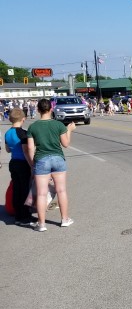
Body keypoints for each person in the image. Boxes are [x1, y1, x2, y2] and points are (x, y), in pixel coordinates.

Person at [26, 98, 76, 232]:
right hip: (58, 159)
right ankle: (65, 219)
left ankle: (41, 224)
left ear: (38, 110)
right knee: (61, 190)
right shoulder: (58, 125)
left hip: (41, 160)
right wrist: (69, 130)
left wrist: (33, 163)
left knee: (41, 193)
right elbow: (65, 144)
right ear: (51, 109)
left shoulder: (33, 127)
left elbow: (30, 148)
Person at [4, 107, 32, 226]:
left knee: (16, 189)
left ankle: (18, 215)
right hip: (22, 163)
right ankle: (24, 216)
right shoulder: (22, 133)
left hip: (13, 162)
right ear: (23, 119)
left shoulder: (7, 133)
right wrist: (32, 165)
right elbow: (26, 151)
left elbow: (7, 150)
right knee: (24, 189)